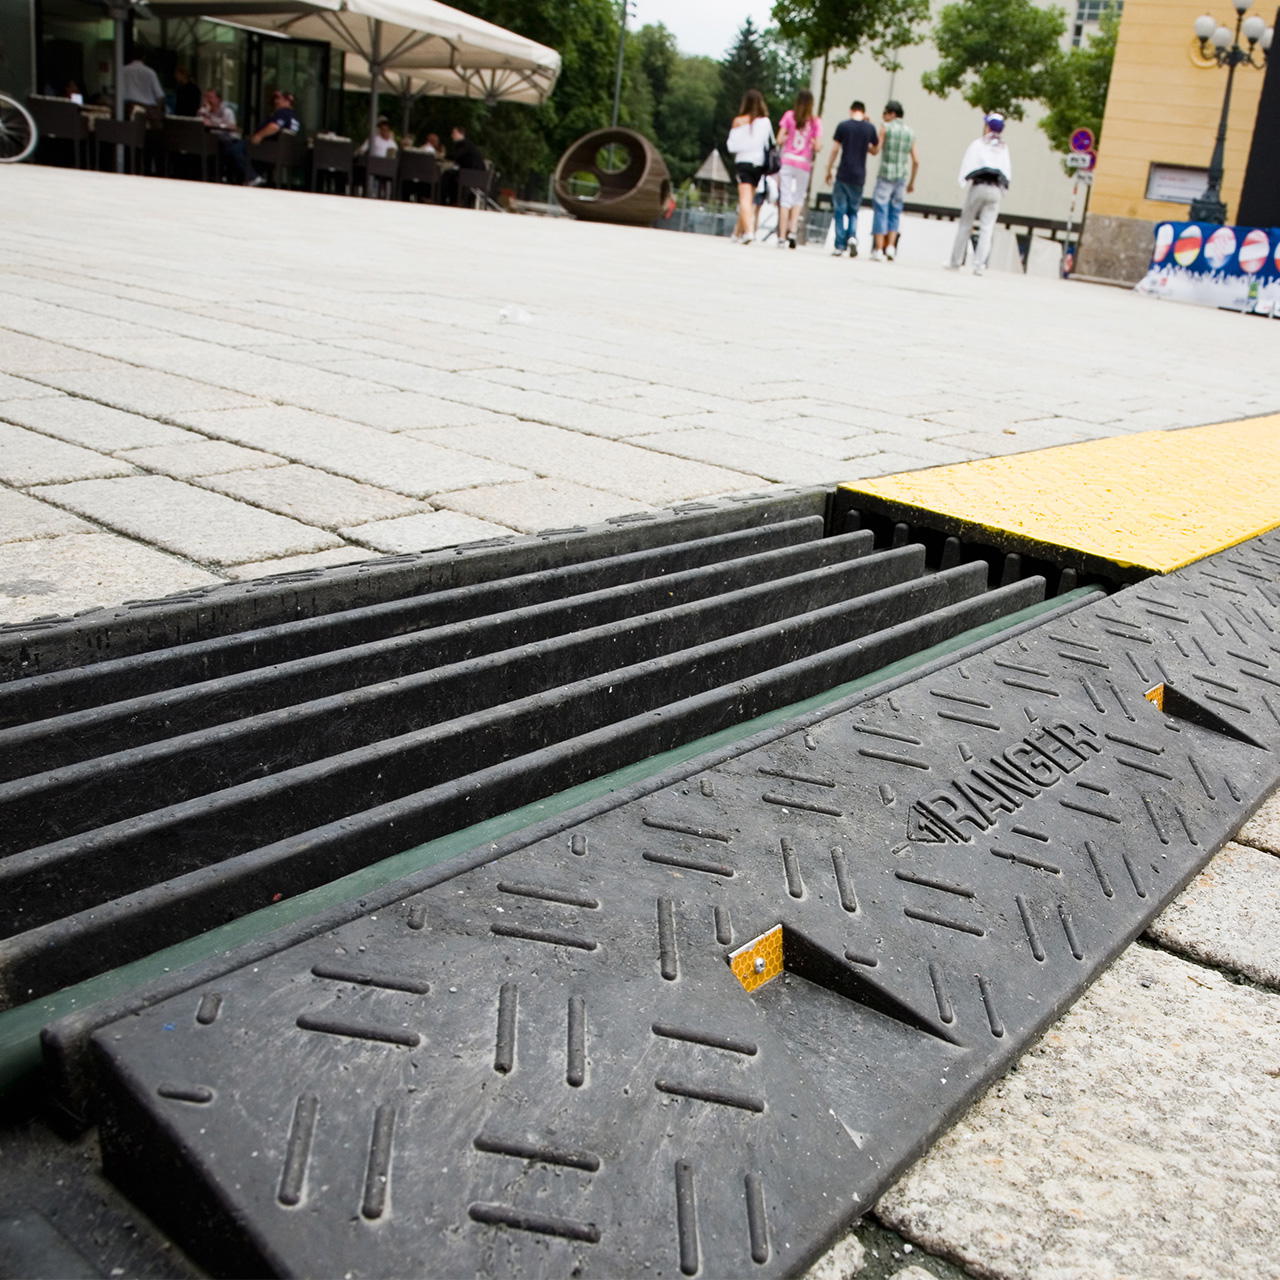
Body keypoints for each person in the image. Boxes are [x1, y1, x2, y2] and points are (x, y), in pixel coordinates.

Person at [948, 113, 1012, 276]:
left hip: (979, 186)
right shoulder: (1003, 148)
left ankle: (955, 261)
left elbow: (968, 164)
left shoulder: (979, 144)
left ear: (988, 126)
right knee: (987, 228)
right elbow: (1007, 171)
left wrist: (963, 181)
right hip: (996, 189)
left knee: (965, 224)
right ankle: (979, 264)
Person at [824, 99, 879, 258]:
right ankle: (852, 237)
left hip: (843, 172)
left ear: (851, 110)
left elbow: (835, 149)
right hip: (859, 174)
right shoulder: (869, 128)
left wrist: (828, 169)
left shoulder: (843, 126)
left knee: (840, 209)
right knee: (854, 211)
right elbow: (875, 150)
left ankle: (839, 244)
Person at [870, 100, 919, 262]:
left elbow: (876, 150)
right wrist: (912, 182)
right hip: (902, 176)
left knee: (881, 210)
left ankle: (878, 248)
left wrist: (868, 144)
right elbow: (916, 160)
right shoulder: (910, 133)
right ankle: (891, 247)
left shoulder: (885, 128)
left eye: (885, 113)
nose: (883, 117)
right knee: (895, 212)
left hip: (885, 174)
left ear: (892, 114)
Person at [776, 88, 822, 250]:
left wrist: (789, 137)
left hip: (788, 160)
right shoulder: (815, 121)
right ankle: (793, 230)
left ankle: (781, 236)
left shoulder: (789, 116)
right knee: (798, 197)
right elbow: (818, 146)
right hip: (803, 162)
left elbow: (779, 138)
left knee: (785, 198)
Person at [725, 88, 772, 245]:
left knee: (744, 199)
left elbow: (731, 146)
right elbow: (769, 143)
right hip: (759, 164)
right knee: (750, 198)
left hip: (744, 162)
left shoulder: (739, 121)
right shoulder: (765, 122)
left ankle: (749, 232)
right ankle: (737, 232)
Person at [244, 88, 301, 188]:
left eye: (278, 98)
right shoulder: (294, 117)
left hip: (269, 149)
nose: (275, 101)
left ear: (287, 101)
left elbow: (274, 127)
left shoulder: (283, 113)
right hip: (281, 151)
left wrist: (258, 136)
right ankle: (254, 176)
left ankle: (253, 176)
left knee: (236, 148)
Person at [199, 88, 249, 182]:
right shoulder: (204, 110)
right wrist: (206, 112)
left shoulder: (227, 111)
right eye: (206, 97)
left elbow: (232, 127)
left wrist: (216, 124)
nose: (208, 100)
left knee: (225, 147)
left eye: (211, 97)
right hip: (211, 141)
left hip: (228, 139)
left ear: (218, 99)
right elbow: (201, 123)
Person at [440, 125, 486, 205]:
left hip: (472, 175)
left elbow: (456, 156)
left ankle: (443, 201)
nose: (452, 136)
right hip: (475, 174)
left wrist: (443, 155)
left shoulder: (464, 144)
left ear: (460, 133)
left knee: (447, 175)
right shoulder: (467, 144)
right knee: (450, 175)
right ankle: (452, 201)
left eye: (454, 133)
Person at [120, 49, 164, 120]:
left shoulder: (122, 70)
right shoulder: (150, 72)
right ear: (144, 57)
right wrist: (157, 112)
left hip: (125, 109)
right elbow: (160, 96)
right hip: (146, 112)